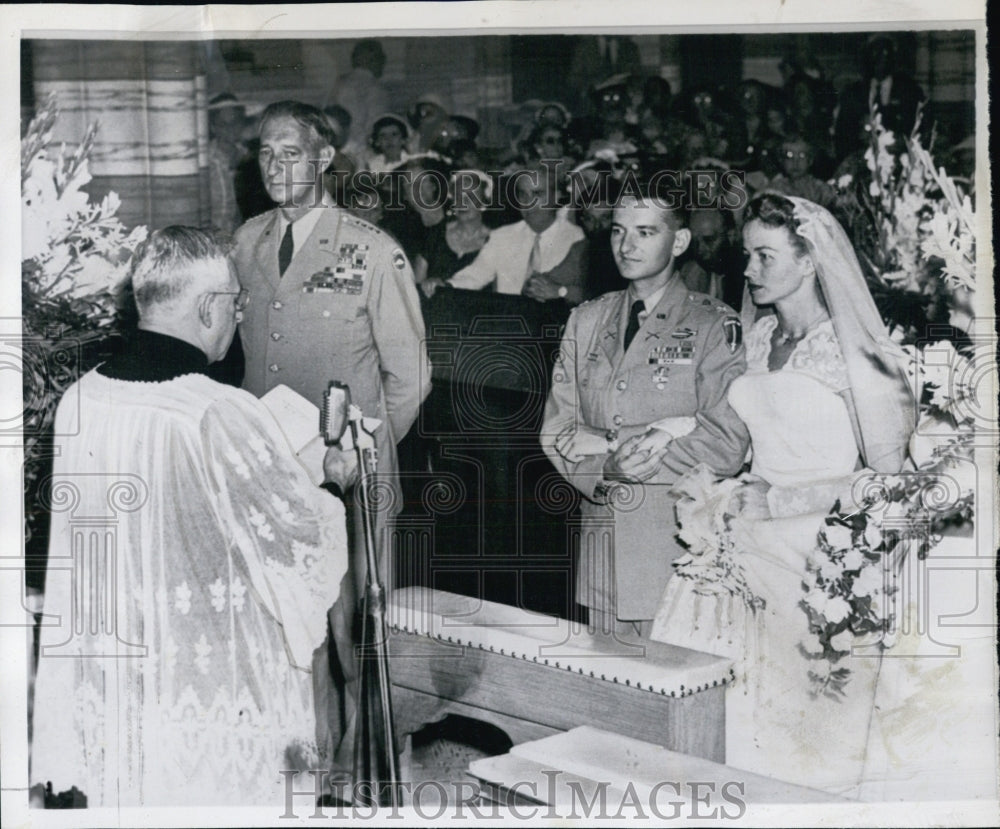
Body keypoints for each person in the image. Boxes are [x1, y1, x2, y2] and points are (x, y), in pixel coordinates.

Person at [30, 227, 351, 806]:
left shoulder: (81, 398)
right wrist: (327, 475)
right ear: (208, 306)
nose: (238, 315)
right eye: (237, 302)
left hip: (117, 680)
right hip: (205, 683)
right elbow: (300, 544)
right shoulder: (214, 409)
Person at [649, 193, 915, 796]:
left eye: (765, 256)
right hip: (743, 528)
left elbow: (891, 478)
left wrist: (780, 503)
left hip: (823, 540)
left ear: (810, 261)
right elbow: (736, 429)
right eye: (748, 255)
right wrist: (673, 435)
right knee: (718, 695)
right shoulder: (761, 333)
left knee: (807, 718)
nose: (748, 270)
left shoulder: (857, 350)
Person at [231, 100, 431, 764]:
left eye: (291, 152)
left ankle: (374, 758)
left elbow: (410, 375)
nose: (276, 165)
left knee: (357, 631)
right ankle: (312, 754)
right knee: (293, 624)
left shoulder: (372, 250)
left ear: (323, 160)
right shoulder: (247, 242)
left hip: (349, 477)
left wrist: (364, 456)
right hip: (272, 471)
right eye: (265, 152)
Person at [540, 190, 750, 635]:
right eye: (618, 231)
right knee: (605, 693)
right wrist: (605, 471)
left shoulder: (713, 324)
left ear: (679, 242)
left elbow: (726, 443)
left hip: (674, 551)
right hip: (602, 553)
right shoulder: (587, 320)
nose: (626, 245)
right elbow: (558, 429)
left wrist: (615, 444)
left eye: (645, 232)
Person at [432, 162, 588, 305]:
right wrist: (446, 286)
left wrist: (560, 291)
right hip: (507, 326)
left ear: (557, 196)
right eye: (523, 194)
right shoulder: (503, 236)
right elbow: (475, 275)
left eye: (537, 194)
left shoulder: (577, 238)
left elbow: (590, 292)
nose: (528, 202)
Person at [415, 168, 492, 289]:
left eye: (471, 196)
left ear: (484, 201)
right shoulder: (434, 234)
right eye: (458, 195)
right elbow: (415, 286)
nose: (463, 202)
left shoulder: (495, 241)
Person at [325, 38, 388, 146]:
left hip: (337, 145)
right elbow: (377, 124)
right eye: (380, 59)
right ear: (373, 60)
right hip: (360, 150)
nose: (383, 64)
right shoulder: (375, 88)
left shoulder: (339, 84)